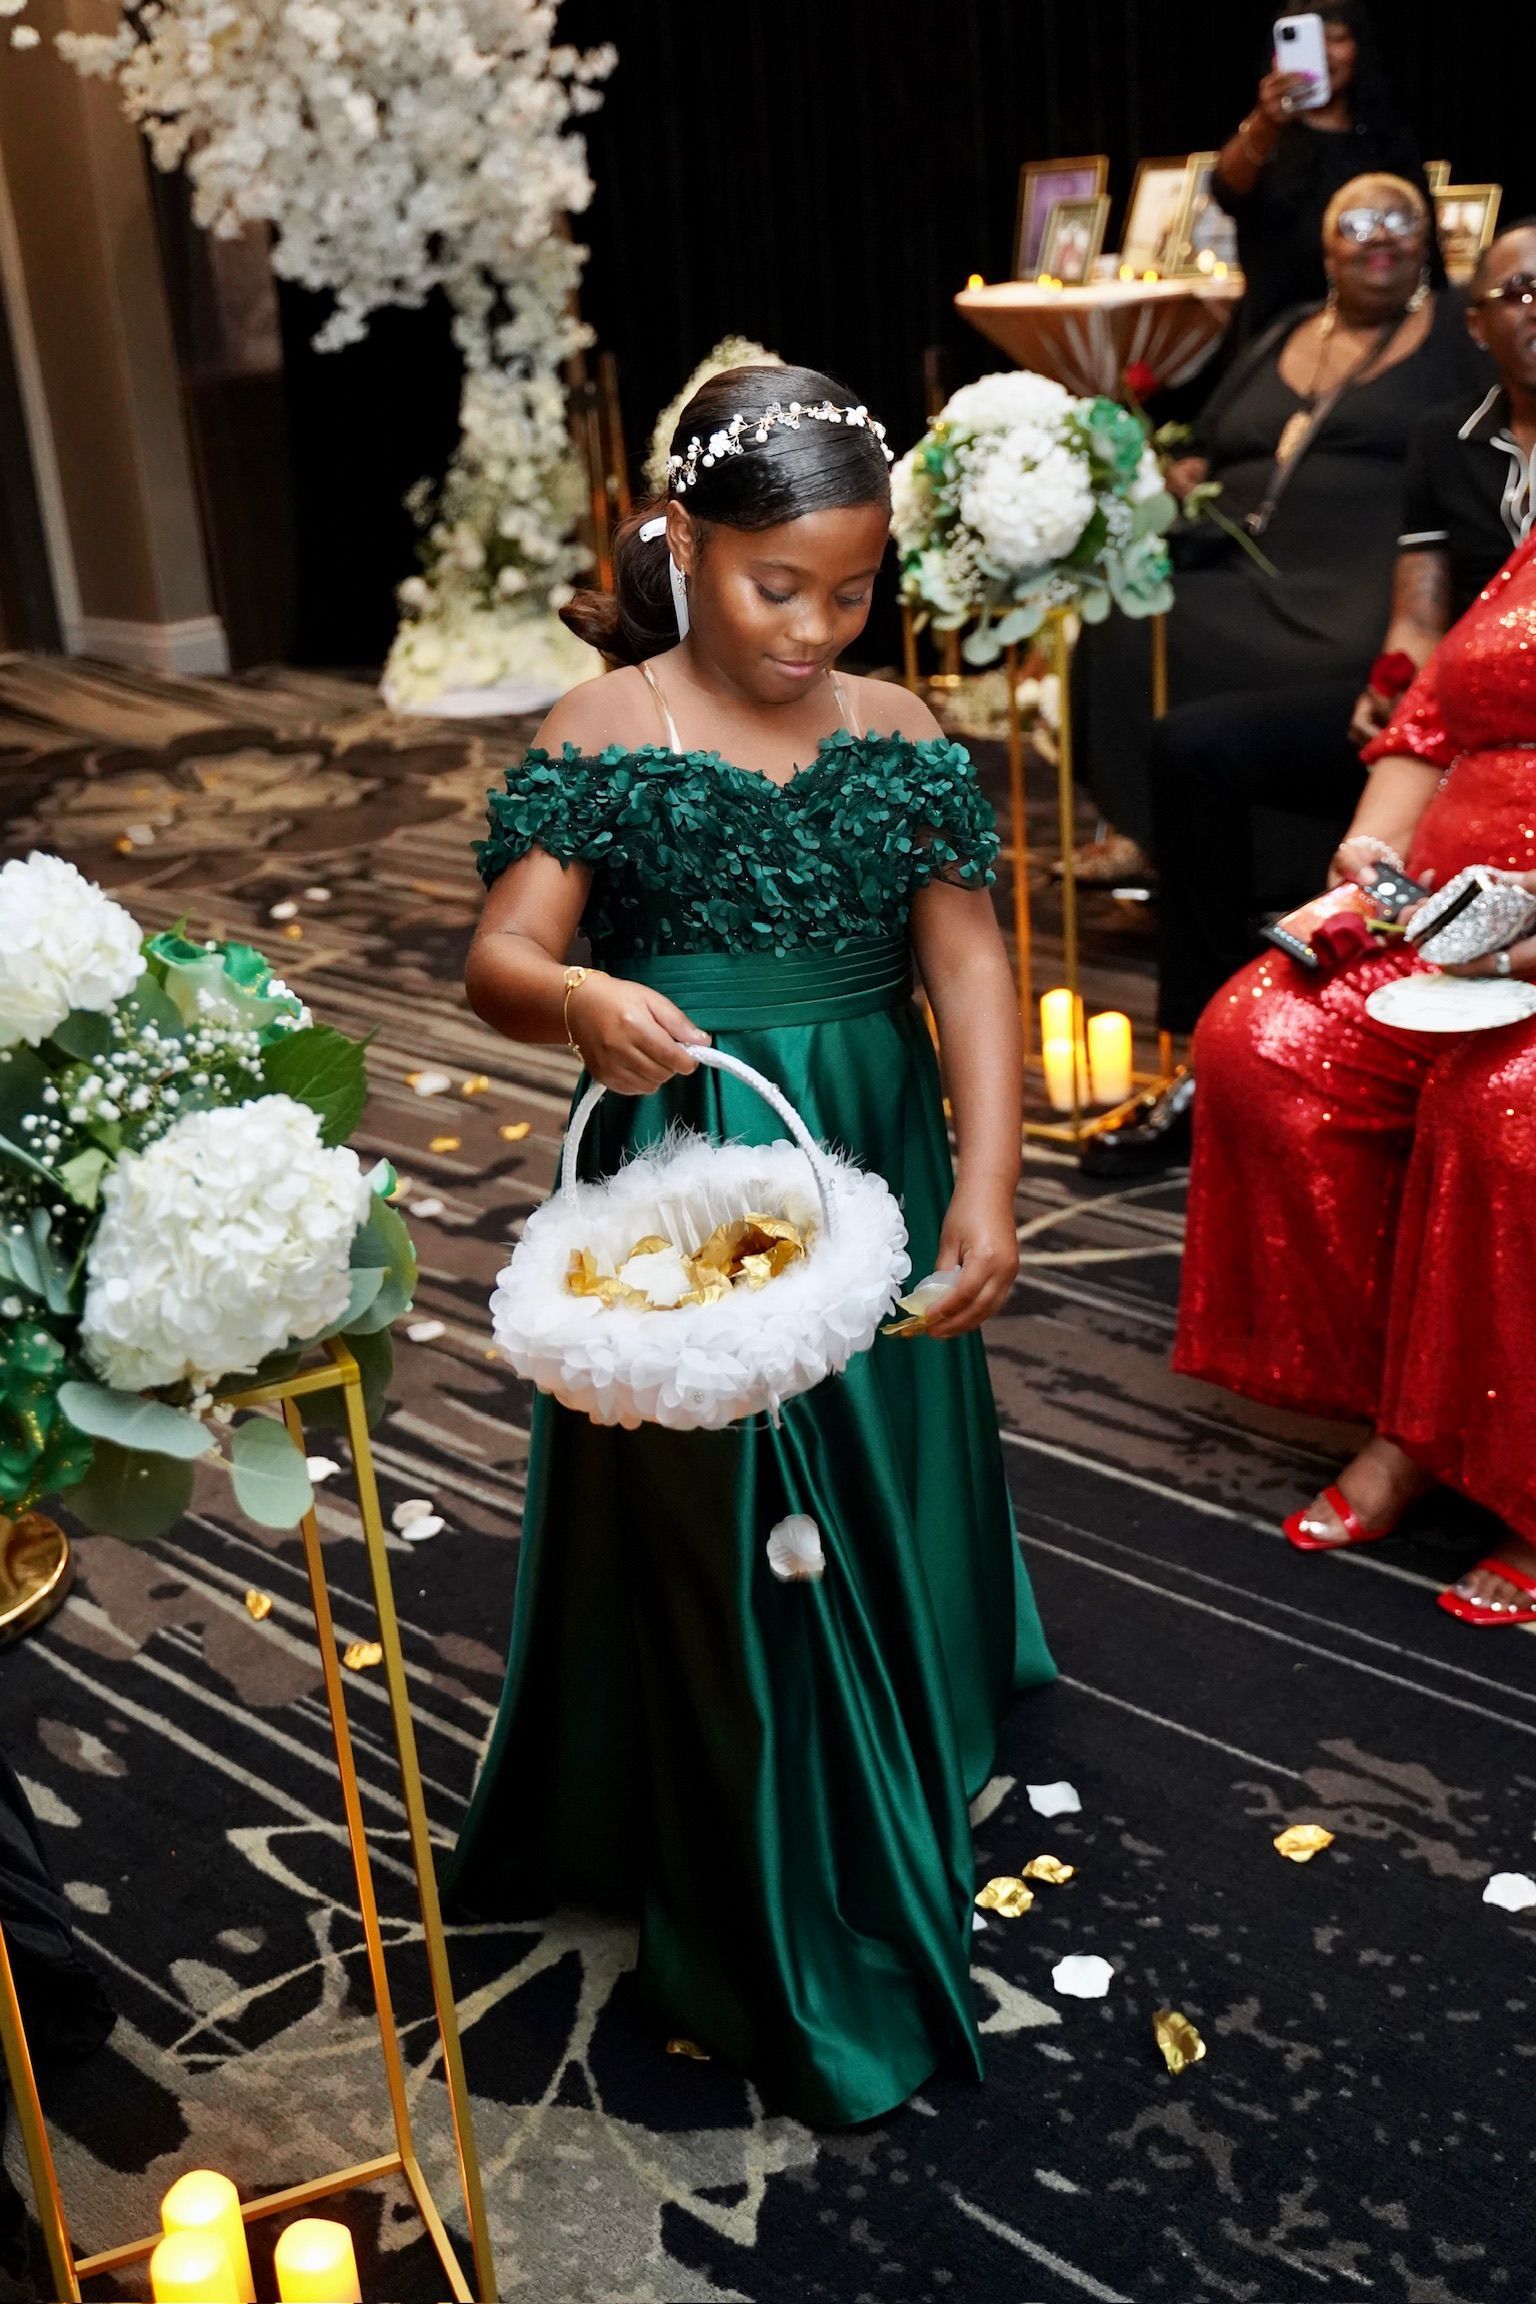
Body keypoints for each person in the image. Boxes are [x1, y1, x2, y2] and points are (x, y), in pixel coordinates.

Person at [445, 364, 1055, 2125]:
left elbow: (967, 965)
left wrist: (990, 1182)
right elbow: (498, 955)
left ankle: (896, 1723)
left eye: (851, 591)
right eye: (774, 584)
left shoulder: (899, 732)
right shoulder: (604, 726)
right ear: (687, 543)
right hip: (695, 1175)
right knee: (730, 1522)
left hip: (864, 1130)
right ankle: (766, 1860)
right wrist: (575, 994)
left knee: (873, 1453)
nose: (812, 625)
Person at [1175, 523, 1536, 1624]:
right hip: (1451, 921)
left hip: (1513, 946)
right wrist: (1371, 860)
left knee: (1505, 1110)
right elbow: (1431, 726)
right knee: (1262, 1043)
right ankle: (1415, 1415)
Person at [1133, 220, 1536, 1106]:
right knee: (1192, 748)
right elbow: (1418, 613)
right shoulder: (1447, 440)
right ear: (1476, 325)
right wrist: (1392, 691)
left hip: (1516, 755)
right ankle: (1192, 1062)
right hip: (1447, 714)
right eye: (1520, 293)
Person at [1211, 0, 1438, 342]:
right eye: (1309, 43)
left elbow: (1425, 238)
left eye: (1336, 39)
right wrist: (1266, 120)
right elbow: (1226, 191)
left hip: (1386, 336)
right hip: (1280, 337)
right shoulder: (1265, 136)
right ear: (1278, 57)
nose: (1324, 54)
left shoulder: (1387, 138)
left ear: (1358, 49)